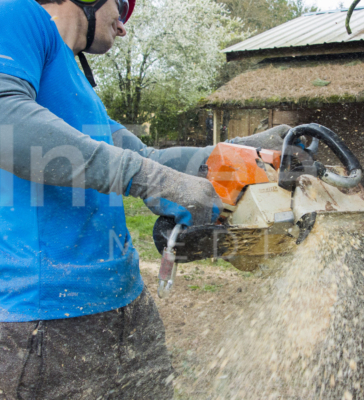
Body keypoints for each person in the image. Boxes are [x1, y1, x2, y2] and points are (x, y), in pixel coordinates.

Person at [0, 0, 289, 398]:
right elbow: (6, 121)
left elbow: (147, 158)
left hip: (126, 303)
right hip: (44, 317)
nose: (123, 27)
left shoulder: (80, 92)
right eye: (121, 7)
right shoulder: (15, 14)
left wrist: (239, 152)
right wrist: (151, 179)